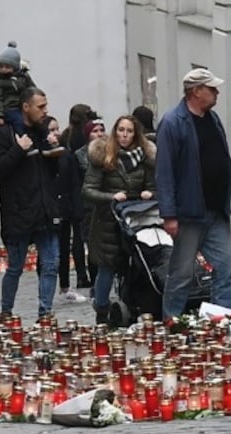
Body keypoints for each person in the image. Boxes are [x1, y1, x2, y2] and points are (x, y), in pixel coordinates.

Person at [156, 68, 231, 320]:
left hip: (216, 210)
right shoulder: (172, 122)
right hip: (189, 213)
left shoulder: (213, 120)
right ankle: (172, 322)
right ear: (196, 91)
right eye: (211, 89)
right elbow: (165, 171)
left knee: (225, 268)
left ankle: (222, 320)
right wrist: (169, 214)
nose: (216, 93)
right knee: (181, 274)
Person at [0, 87, 62, 321]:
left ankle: (45, 314)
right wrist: (19, 150)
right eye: (40, 106)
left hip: (44, 209)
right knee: (15, 267)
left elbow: (53, 172)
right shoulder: (4, 134)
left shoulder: (42, 132)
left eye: (46, 106)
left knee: (51, 264)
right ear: (26, 107)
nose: (45, 111)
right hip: (18, 211)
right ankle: (6, 312)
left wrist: (53, 151)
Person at [83, 115, 156, 324]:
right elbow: (88, 190)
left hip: (136, 221)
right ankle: (102, 310)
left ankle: (134, 305)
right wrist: (111, 197)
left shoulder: (145, 158)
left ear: (136, 134)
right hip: (108, 223)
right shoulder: (103, 156)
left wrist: (149, 194)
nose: (124, 135)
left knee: (136, 265)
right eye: (121, 130)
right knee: (107, 267)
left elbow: (154, 186)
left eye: (129, 131)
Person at [48, 115, 88, 303]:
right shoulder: (41, 154)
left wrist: (75, 207)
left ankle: (65, 286)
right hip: (47, 210)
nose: (55, 133)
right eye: (50, 130)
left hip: (64, 208)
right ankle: (45, 286)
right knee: (49, 252)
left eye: (56, 129)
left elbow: (73, 183)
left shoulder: (66, 155)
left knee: (64, 248)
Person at [74, 118, 107, 296]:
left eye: (101, 130)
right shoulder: (80, 154)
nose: (99, 134)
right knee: (93, 247)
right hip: (89, 207)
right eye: (95, 131)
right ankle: (95, 283)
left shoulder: (112, 151)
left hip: (108, 204)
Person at [0, 41, 36, 133]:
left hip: (24, 107)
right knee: (19, 121)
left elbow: (32, 90)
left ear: (15, 67)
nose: (3, 69)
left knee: (38, 119)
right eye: (1, 67)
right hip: (10, 109)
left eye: (7, 67)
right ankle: (22, 138)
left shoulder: (23, 76)